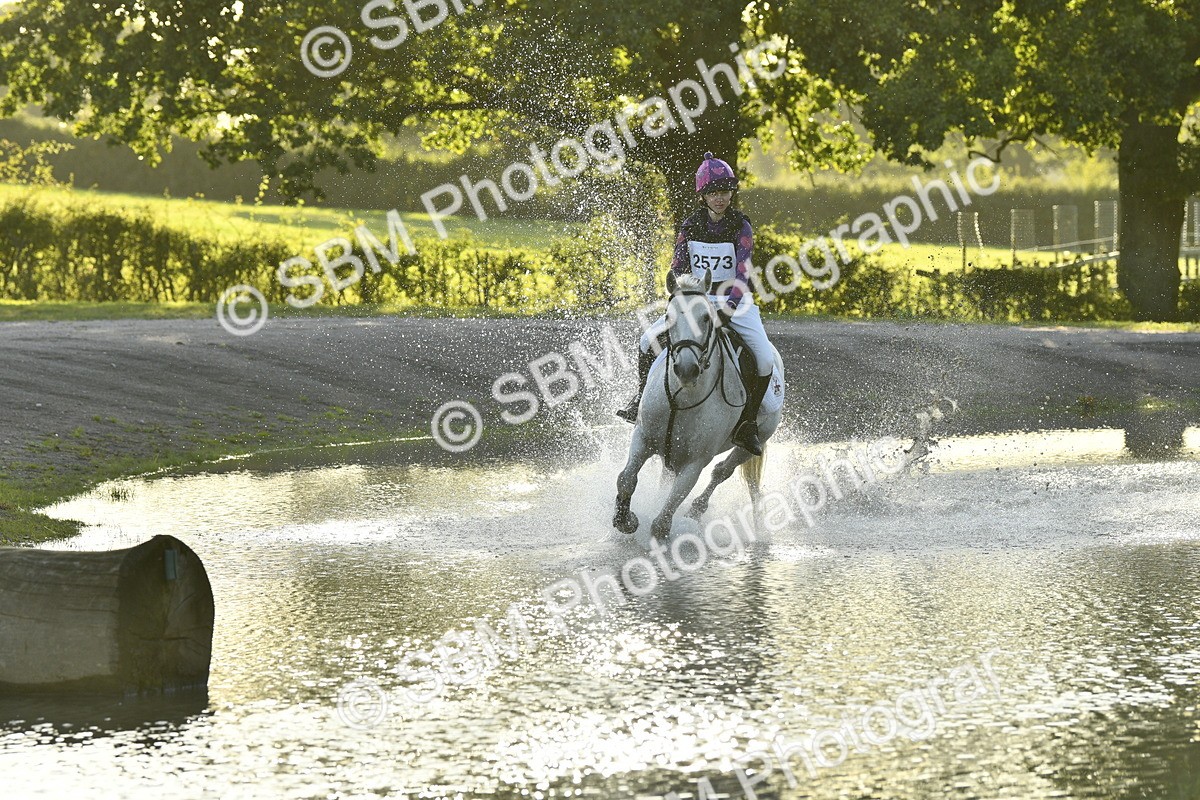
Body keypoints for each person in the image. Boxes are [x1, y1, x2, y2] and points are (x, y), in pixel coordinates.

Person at [616, 152, 776, 456]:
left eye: (725, 192)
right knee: (646, 341)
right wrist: (681, 299)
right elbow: (678, 268)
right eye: (713, 193)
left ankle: (747, 424)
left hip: (736, 301)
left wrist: (729, 308)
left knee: (765, 360)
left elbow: (743, 272)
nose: (720, 198)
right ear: (703, 196)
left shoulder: (741, 226)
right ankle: (639, 400)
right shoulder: (690, 227)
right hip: (696, 299)